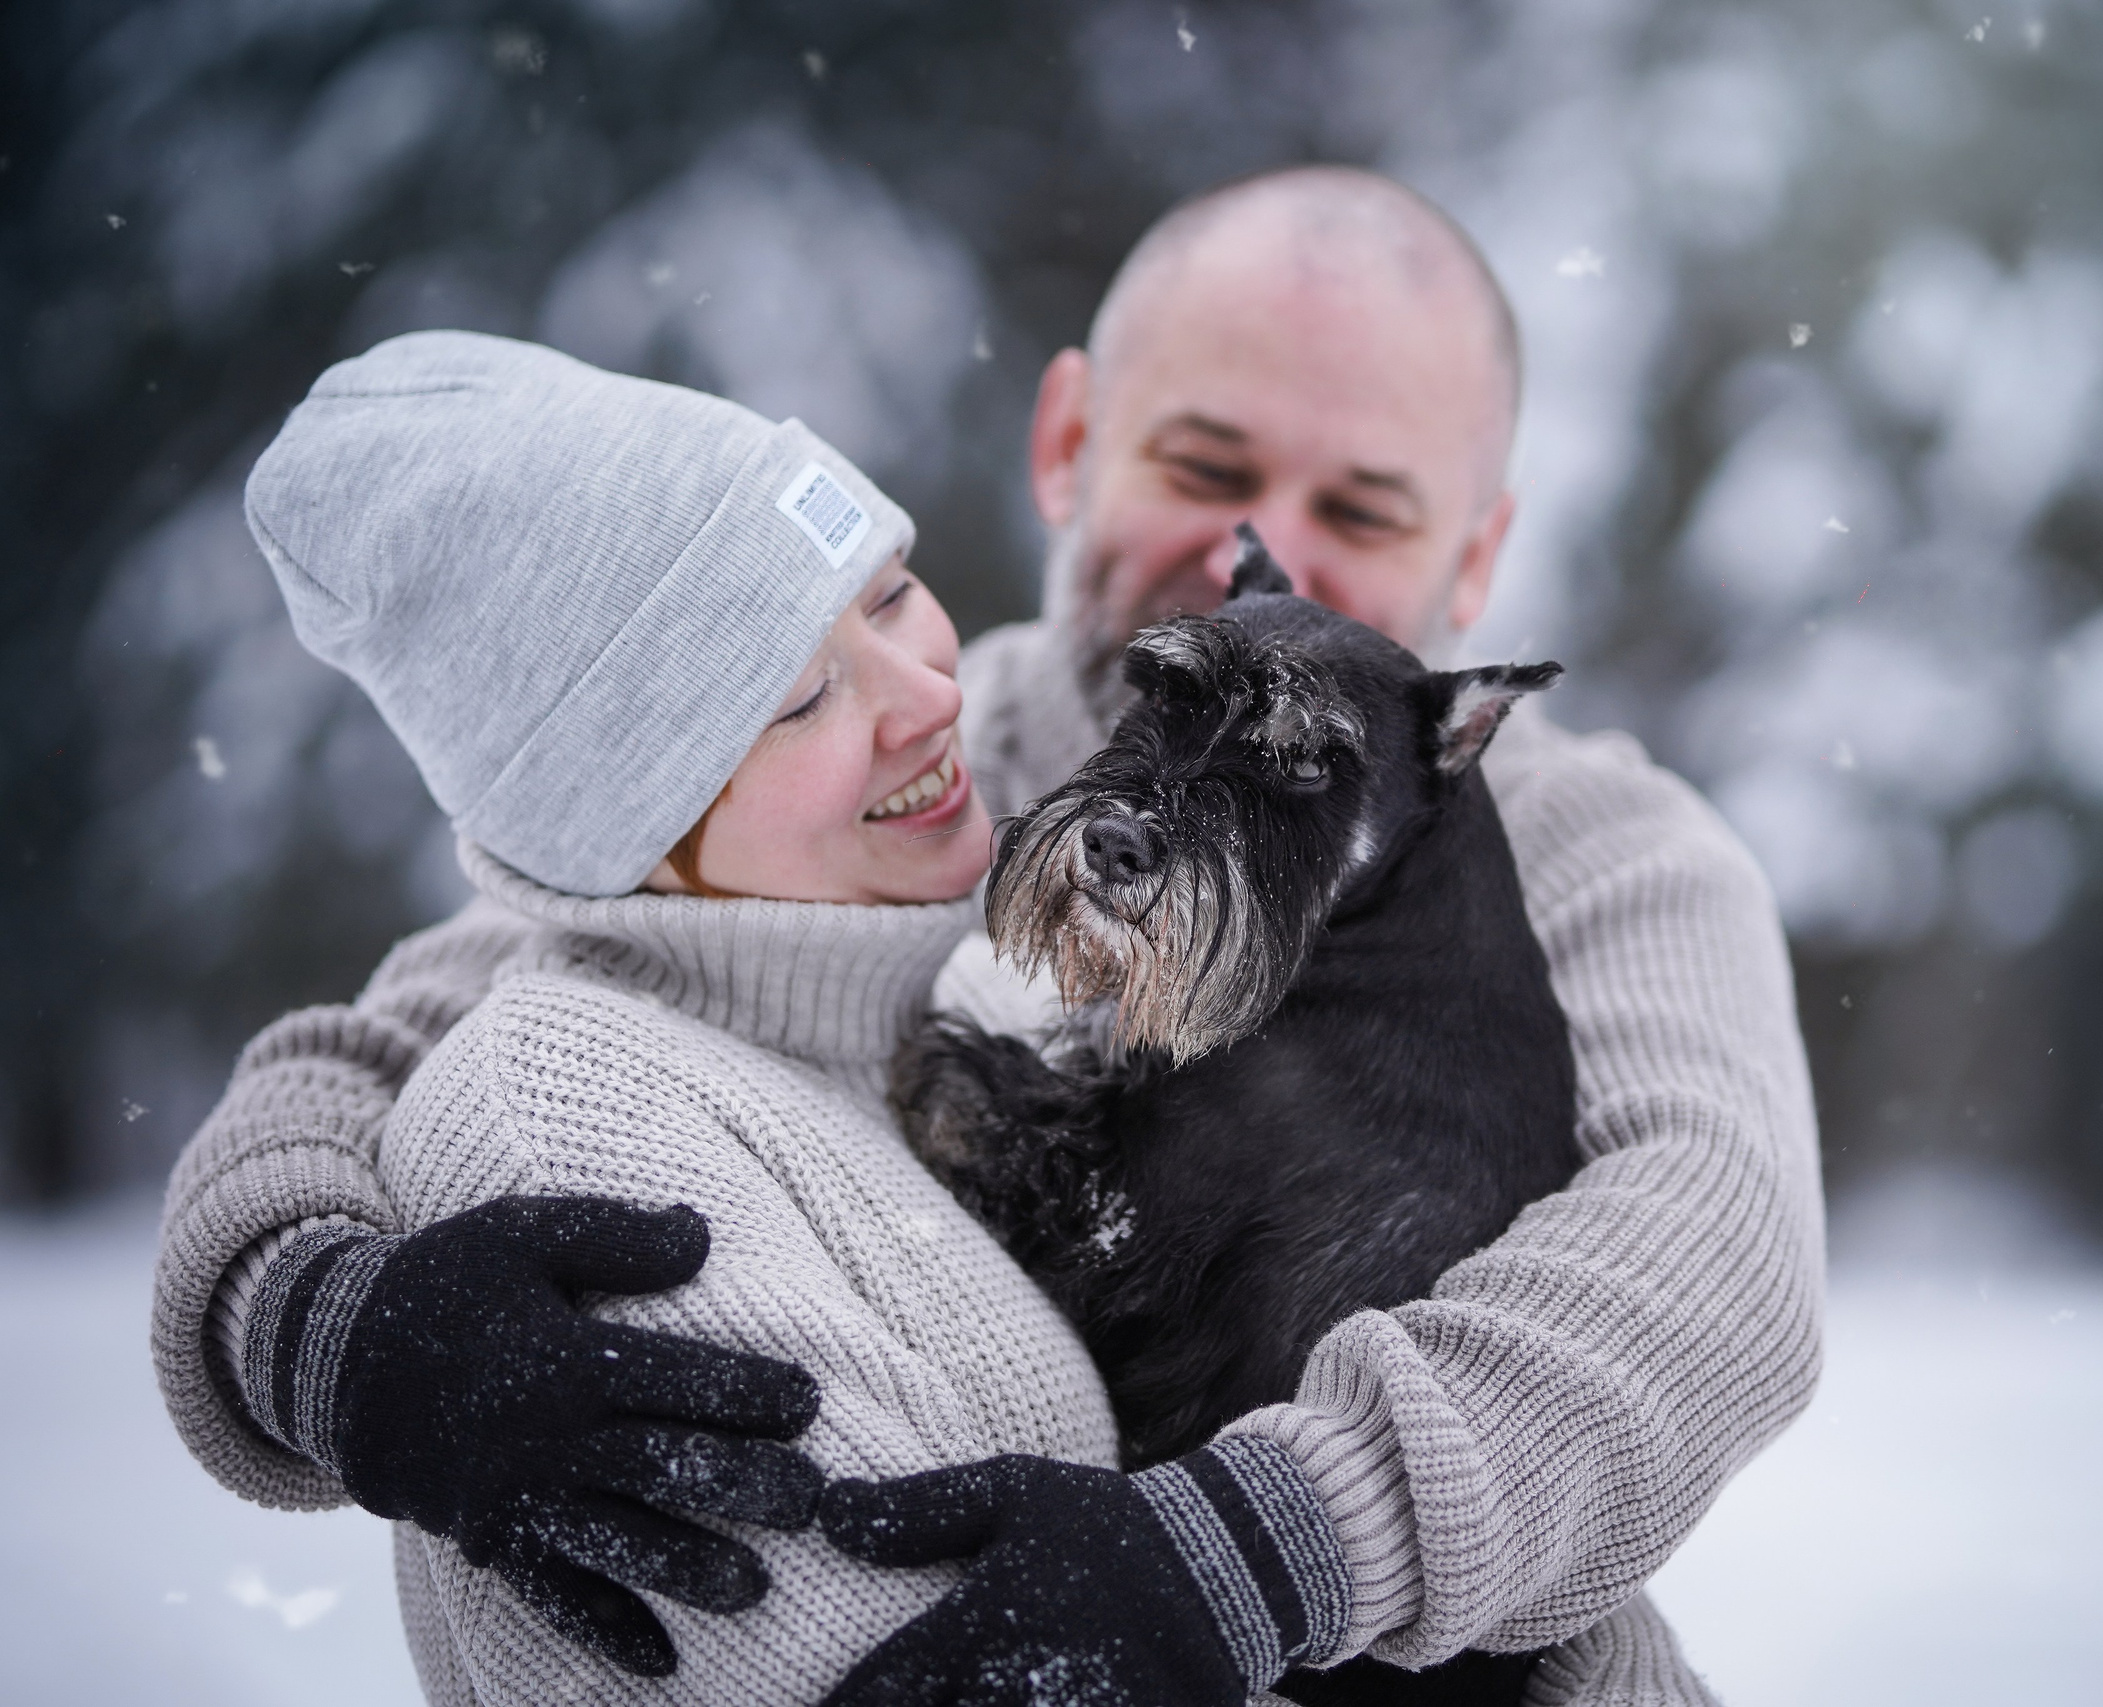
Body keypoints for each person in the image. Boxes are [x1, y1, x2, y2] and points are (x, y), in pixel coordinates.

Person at [155, 167, 1823, 1702]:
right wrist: (330, 1330)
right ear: (1068, 442)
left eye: (1368, 510)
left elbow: (1707, 1271)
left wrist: (1268, 1547)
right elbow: (417, 1037)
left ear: (1479, 551)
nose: (1269, 553)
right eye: (1207, 469)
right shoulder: (910, 758)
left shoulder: (1608, 854)